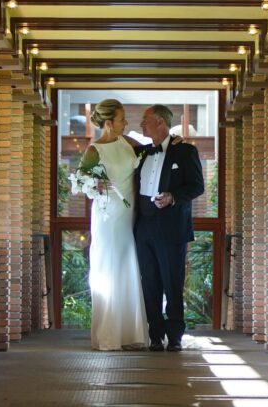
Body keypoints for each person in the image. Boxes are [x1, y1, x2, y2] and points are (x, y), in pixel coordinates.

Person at [77, 99, 147, 350]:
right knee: (109, 268)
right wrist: (93, 185)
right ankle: (109, 336)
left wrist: (177, 143)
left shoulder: (127, 142)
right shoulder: (95, 150)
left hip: (129, 215)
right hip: (108, 216)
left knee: (128, 266)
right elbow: (80, 181)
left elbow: (153, 151)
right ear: (108, 123)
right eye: (121, 119)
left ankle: (131, 334)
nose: (125, 123)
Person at [134, 105, 205, 352]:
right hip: (143, 227)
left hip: (172, 227)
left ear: (161, 122)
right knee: (149, 283)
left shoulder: (185, 151)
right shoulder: (141, 152)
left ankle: (175, 335)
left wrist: (173, 196)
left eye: (146, 120)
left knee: (172, 282)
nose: (142, 125)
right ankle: (155, 335)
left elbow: (197, 186)